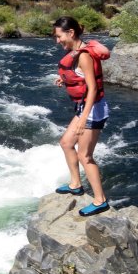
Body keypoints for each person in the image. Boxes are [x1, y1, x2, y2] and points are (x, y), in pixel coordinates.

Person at [53, 16, 110, 216]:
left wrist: (84, 118)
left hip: (92, 109)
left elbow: (93, 89)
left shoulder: (84, 55)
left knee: (85, 156)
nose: (57, 41)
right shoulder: (76, 53)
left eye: (59, 36)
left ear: (71, 33)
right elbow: (81, 78)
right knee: (66, 143)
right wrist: (64, 79)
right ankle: (76, 184)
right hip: (85, 106)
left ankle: (100, 200)